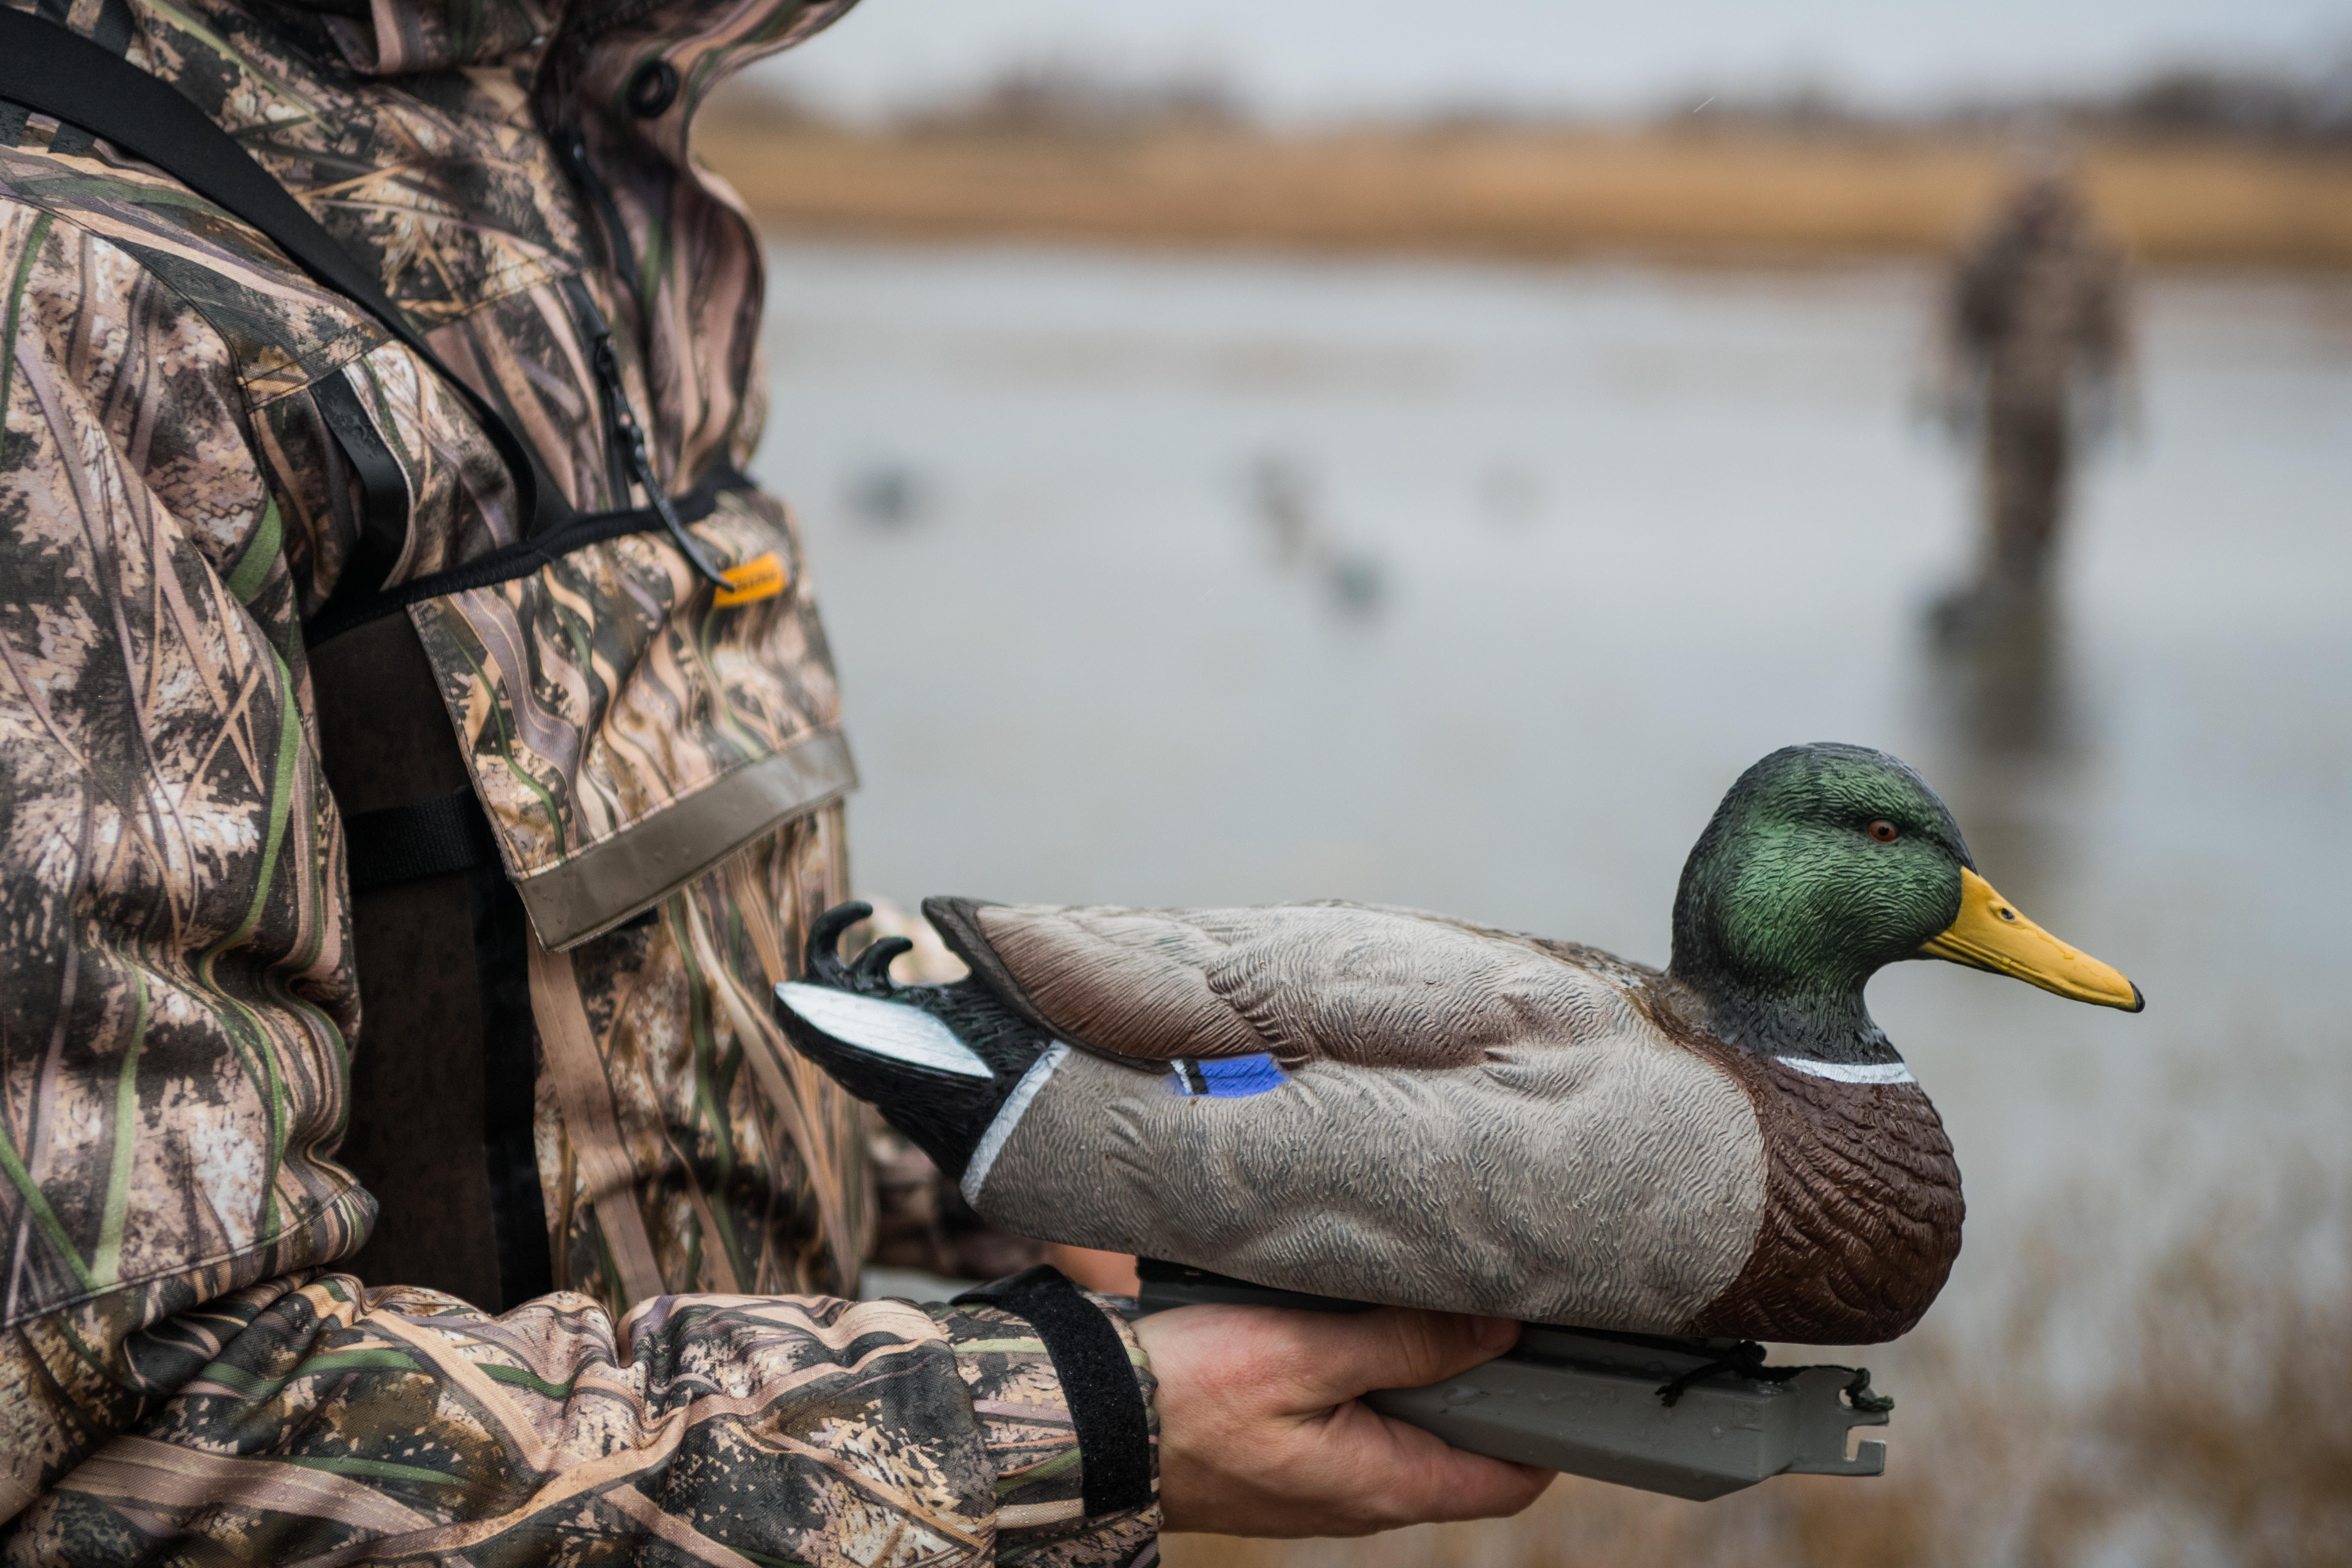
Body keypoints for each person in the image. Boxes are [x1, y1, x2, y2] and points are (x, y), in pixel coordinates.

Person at [0, 0, 1551, 1559]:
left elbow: (634, 1027)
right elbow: (122, 1443)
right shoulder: (63, 282)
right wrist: (1059, 1422)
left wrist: (1079, 1158)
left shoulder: (579, 167)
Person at [1931, 160, 2132, 634]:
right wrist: (1949, 393)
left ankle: (2036, 610)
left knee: (2054, 509)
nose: (2037, 202)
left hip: (2061, 400)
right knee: (2002, 504)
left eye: (2046, 191)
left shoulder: (2093, 250)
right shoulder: (1990, 249)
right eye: (2028, 191)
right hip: (2004, 398)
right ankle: (2000, 599)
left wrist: (2117, 403)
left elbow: (2114, 332)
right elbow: (1959, 325)